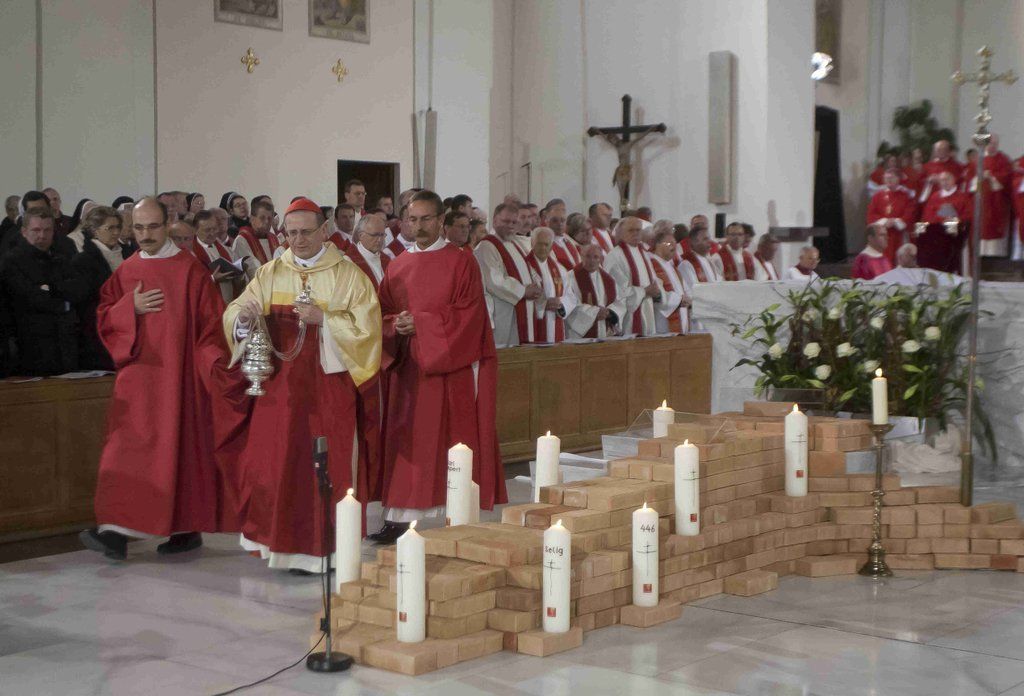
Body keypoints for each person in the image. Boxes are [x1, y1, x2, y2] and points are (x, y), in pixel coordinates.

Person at [79, 197, 248, 561]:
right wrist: (129, 308)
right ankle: (114, 530)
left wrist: (216, 367)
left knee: (179, 453)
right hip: (137, 381)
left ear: (167, 224)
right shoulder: (127, 269)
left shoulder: (190, 270)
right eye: (138, 228)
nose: (145, 235)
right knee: (123, 452)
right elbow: (104, 316)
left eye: (152, 227)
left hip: (179, 381)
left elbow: (210, 326)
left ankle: (185, 529)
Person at [224, 197, 382, 571]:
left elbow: (368, 333)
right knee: (277, 464)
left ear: (324, 231)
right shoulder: (271, 272)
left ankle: (326, 551)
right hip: (280, 390)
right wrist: (244, 318)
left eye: (306, 232)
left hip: (327, 389)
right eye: (291, 233)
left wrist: (324, 320)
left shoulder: (348, 275)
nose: (297, 240)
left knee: (326, 465)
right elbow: (235, 313)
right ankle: (282, 547)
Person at [375, 190, 505, 543]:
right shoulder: (397, 265)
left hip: (450, 371)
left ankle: (458, 514)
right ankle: (399, 517)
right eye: (412, 219)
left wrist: (422, 324)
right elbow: (382, 313)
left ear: (441, 221)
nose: (418, 226)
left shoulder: (462, 262)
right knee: (409, 441)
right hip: (410, 371)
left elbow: (470, 316)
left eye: (426, 219)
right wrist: (395, 325)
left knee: (451, 440)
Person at [1, 209, 87, 375]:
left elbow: (79, 290)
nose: (42, 235)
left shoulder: (60, 257)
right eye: (36, 230)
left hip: (66, 343)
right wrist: (65, 303)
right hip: (32, 346)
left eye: (47, 230)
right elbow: (32, 298)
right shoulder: (12, 261)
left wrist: (51, 288)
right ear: (24, 231)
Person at [475, 202, 542, 347]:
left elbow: (530, 270)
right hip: (503, 312)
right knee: (507, 354)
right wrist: (523, 291)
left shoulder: (515, 244)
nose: (511, 225)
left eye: (514, 222)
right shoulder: (487, 246)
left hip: (524, 309)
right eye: (506, 221)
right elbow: (494, 281)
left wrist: (536, 285)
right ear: (495, 221)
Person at [71, 206, 125, 370]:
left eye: (118, 227)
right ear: (95, 230)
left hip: (125, 324)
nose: (116, 232)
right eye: (110, 228)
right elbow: (86, 300)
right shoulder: (83, 260)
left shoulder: (128, 255)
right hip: (97, 330)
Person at [603, 216, 661, 336]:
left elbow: (654, 280)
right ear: (620, 233)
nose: (635, 233)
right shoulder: (614, 256)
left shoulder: (643, 253)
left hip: (647, 310)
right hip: (628, 317)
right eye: (631, 230)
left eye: (638, 230)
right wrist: (644, 291)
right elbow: (616, 292)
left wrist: (657, 292)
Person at [965, 134, 1013, 256]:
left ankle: (994, 264)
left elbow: (1007, 180)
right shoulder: (977, 161)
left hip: (996, 204)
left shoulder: (1003, 160)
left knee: (994, 243)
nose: (993, 146)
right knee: (979, 234)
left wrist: (991, 177)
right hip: (980, 204)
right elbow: (969, 183)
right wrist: (979, 178)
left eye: (995, 144)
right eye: (990, 143)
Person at [526, 227, 574, 343]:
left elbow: (571, 296)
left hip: (555, 322)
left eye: (546, 244)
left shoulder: (560, 269)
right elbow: (520, 295)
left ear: (551, 246)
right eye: (539, 244)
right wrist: (542, 305)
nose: (543, 248)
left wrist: (561, 304)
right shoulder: (524, 266)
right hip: (533, 324)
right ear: (532, 243)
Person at [565, 244, 624, 339]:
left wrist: (610, 312)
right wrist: (595, 313)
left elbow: (620, 302)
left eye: (596, 257)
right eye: (588, 256)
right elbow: (569, 304)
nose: (591, 260)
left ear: (601, 259)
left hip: (604, 332)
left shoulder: (608, 279)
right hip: (578, 335)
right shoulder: (570, 277)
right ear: (581, 256)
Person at [867, 169, 917, 263]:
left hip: (899, 233)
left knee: (900, 260)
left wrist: (895, 222)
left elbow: (910, 213)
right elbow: (872, 213)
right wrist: (884, 222)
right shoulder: (877, 196)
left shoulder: (906, 196)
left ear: (898, 179)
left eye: (891, 177)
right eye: (886, 178)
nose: (888, 180)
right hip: (882, 233)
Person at [192, 210, 241, 303]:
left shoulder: (224, 248)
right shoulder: (191, 253)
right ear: (195, 230)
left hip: (229, 301)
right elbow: (191, 284)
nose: (212, 233)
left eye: (214, 229)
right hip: (208, 304)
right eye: (207, 230)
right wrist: (213, 278)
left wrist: (240, 270)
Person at [646, 229, 688, 333]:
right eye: (669, 243)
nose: (674, 247)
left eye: (675, 244)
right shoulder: (651, 263)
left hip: (679, 316)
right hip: (661, 320)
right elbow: (657, 293)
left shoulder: (670, 265)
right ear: (658, 244)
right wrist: (678, 300)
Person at [233, 199, 280, 275]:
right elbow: (253, 269)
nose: (267, 221)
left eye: (269, 218)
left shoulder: (274, 238)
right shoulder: (242, 240)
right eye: (262, 218)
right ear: (252, 219)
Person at [345, 213, 389, 290]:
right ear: (360, 235)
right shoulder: (349, 262)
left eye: (382, 235)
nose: (379, 240)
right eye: (374, 235)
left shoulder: (387, 260)